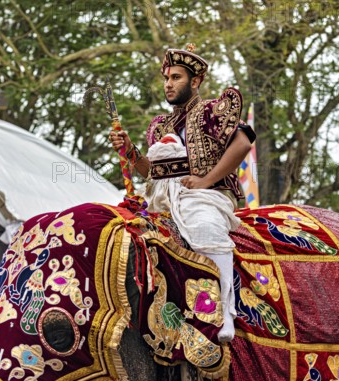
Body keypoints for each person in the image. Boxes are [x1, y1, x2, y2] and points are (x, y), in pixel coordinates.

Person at [108, 44, 255, 342]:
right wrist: (130, 150)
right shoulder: (160, 125)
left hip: (209, 195)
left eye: (176, 77)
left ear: (195, 81)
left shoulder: (213, 111)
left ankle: (225, 311)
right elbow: (151, 171)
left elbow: (242, 144)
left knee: (203, 226)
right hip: (164, 200)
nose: (169, 84)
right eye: (166, 78)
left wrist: (204, 180)